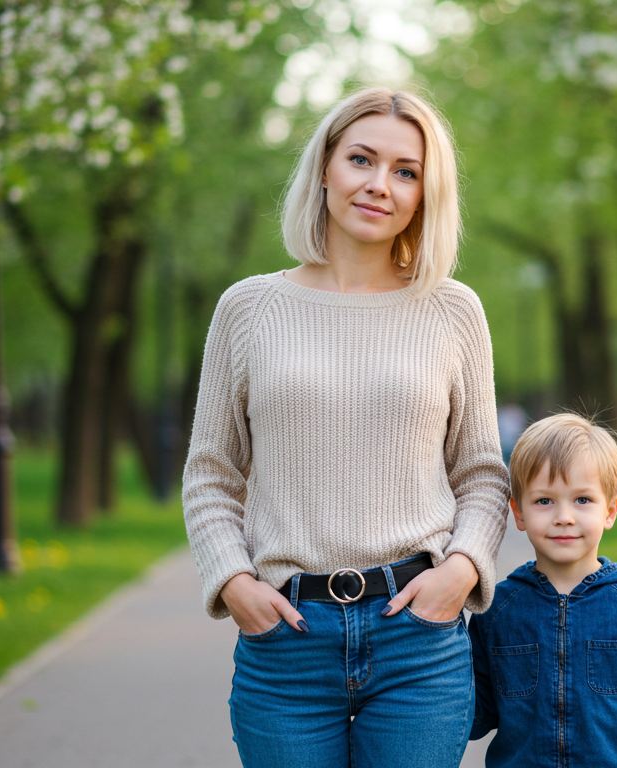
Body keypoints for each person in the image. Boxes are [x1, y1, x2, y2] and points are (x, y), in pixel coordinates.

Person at [181, 87, 509, 768]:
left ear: (424, 195)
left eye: (406, 171)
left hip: (417, 638)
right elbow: (211, 476)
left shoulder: (452, 310)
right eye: (362, 159)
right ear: (326, 167)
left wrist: (460, 571)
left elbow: (481, 474)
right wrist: (235, 583)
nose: (379, 184)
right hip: (286, 639)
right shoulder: (249, 308)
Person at [469, 413, 617, 767]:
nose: (564, 517)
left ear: (610, 510)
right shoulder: (497, 609)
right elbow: (472, 718)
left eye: (582, 500)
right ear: (518, 512)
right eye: (544, 501)